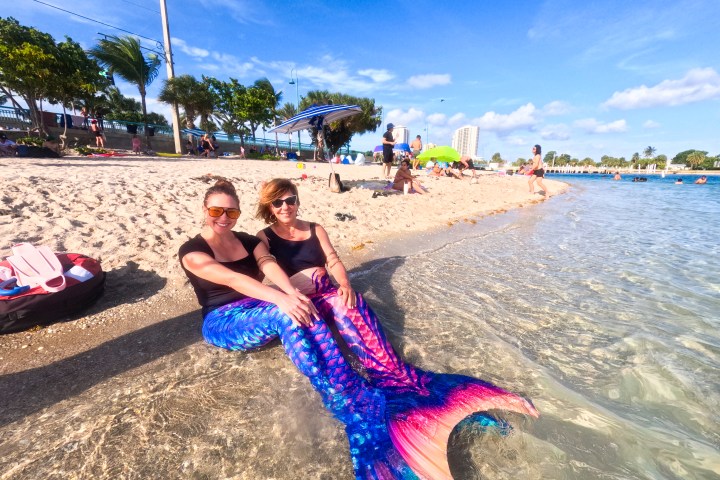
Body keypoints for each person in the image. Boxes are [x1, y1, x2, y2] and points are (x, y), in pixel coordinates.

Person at [254, 178, 538, 479]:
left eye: (291, 199)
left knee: (367, 331)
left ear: (298, 201)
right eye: (278, 202)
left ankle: (419, 395)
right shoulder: (265, 236)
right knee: (333, 368)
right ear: (268, 206)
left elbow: (333, 261)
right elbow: (265, 266)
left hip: (328, 293)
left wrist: (346, 285)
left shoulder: (315, 228)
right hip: (301, 301)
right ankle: (376, 425)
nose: (286, 206)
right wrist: (287, 297)